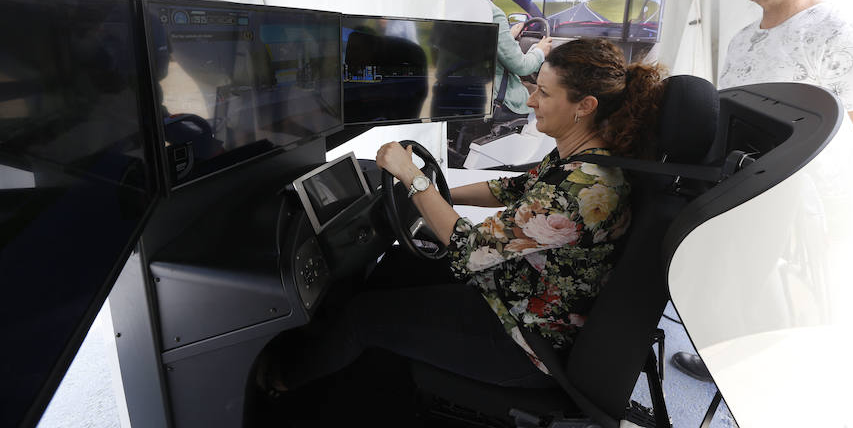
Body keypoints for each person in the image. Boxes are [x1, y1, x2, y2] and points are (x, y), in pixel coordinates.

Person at [255, 38, 666, 395]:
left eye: (543, 92)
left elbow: (469, 249)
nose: (531, 100)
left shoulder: (581, 191)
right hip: (517, 293)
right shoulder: (583, 161)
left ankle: (281, 382)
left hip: (525, 342)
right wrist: (433, 190)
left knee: (365, 317)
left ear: (585, 106)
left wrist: (415, 180)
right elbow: (510, 190)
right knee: (400, 264)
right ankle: (346, 356)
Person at [672, 0, 853, 383]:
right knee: (741, 334)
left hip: (807, 235)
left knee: (799, 367)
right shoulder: (740, 41)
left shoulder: (842, 33)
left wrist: (814, 232)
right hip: (744, 211)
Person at [459, 0, 553, 122]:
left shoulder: (457, 9)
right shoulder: (492, 13)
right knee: (543, 105)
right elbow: (522, 66)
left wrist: (507, 36)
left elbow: (477, 48)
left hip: (466, 98)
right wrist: (540, 50)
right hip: (498, 104)